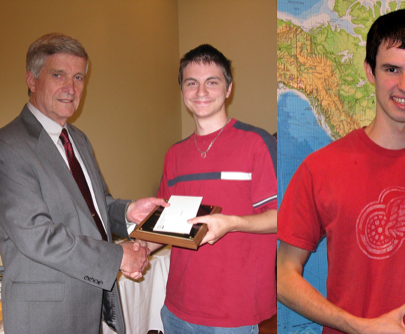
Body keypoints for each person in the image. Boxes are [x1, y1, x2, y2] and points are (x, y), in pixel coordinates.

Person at [277, 9, 405, 333]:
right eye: (392, 69)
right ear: (370, 71)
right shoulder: (320, 168)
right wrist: (359, 326)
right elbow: (283, 275)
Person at [0, 33, 167, 334]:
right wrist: (119, 257)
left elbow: (95, 204)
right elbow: (36, 235)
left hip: (90, 305)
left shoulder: (77, 139)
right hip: (44, 317)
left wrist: (128, 211)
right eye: (58, 75)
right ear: (31, 79)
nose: (70, 88)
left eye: (78, 77)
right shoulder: (8, 145)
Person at [149, 44, 277, 333]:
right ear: (182, 91)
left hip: (233, 313)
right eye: (191, 83)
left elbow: (283, 217)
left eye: (212, 82)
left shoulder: (257, 143)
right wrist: (138, 247)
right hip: (177, 307)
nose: (201, 92)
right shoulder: (175, 154)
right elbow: (166, 224)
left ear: (229, 88)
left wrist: (231, 223)